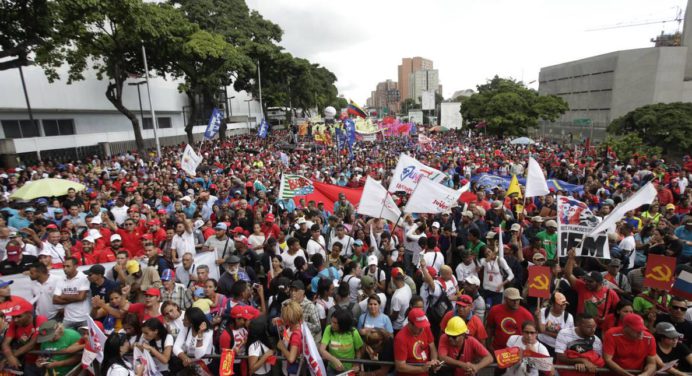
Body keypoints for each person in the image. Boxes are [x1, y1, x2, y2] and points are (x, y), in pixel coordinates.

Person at [565, 248, 620, 328]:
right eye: (586, 280)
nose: (587, 283)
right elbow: (568, 274)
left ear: (599, 283)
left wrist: (608, 319)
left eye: (590, 282)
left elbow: (619, 310)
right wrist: (571, 258)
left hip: (598, 328)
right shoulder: (582, 286)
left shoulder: (610, 293)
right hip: (580, 326)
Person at [393, 308, 441, 376]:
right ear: (410, 323)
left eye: (423, 326)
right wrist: (421, 369)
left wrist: (434, 360)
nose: (422, 329)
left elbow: (432, 346)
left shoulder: (425, 328)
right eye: (419, 327)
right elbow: (400, 366)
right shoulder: (400, 338)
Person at [485, 287, 534, 351]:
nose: (516, 302)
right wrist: (488, 345)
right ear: (505, 299)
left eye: (518, 299)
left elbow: (532, 334)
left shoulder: (527, 315)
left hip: (517, 352)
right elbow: (489, 328)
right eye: (512, 300)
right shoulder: (495, 310)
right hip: (497, 350)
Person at [320, 308, 364, 375]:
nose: (332, 324)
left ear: (343, 324)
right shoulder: (328, 329)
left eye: (335, 323)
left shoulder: (353, 332)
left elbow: (359, 351)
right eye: (331, 321)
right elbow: (322, 350)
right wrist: (334, 360)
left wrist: (356, 364)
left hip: (348, 369)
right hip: (331, 367)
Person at [172, 307, 213, 374]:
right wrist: (185, 359)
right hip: (189, 365)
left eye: (185, 319)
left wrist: (200, 335)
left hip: (203, 366)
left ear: (192, 322)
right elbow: (176, 347)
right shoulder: (186, 327)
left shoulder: (208, 332)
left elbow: (198, 355)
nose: (183, 320)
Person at [53, 257, 90, 328]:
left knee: (85, 338)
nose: (65, 269)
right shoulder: (61, 280)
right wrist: (77, 298)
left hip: (84, 318)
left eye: (68, 266)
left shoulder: (84, 278)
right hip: (68, 318)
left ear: (76, 266)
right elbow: (55, 300)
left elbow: (80, 297)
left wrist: (63, 296)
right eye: (63, 266)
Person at [276, 301, 303, 376]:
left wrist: (282, 347)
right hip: (286, 368)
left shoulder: (296, 335)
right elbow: (288, 336)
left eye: (283, 316)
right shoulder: (294, 326)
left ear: (289, 319)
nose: (282, 318)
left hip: (291, 371)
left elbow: (291, 359)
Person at [389, 267, 412, 332]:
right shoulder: (407, 286)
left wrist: (386, 319)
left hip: (396, 326)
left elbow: (394, 316)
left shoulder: (397, 297)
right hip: (404, 321)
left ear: (393, 279)